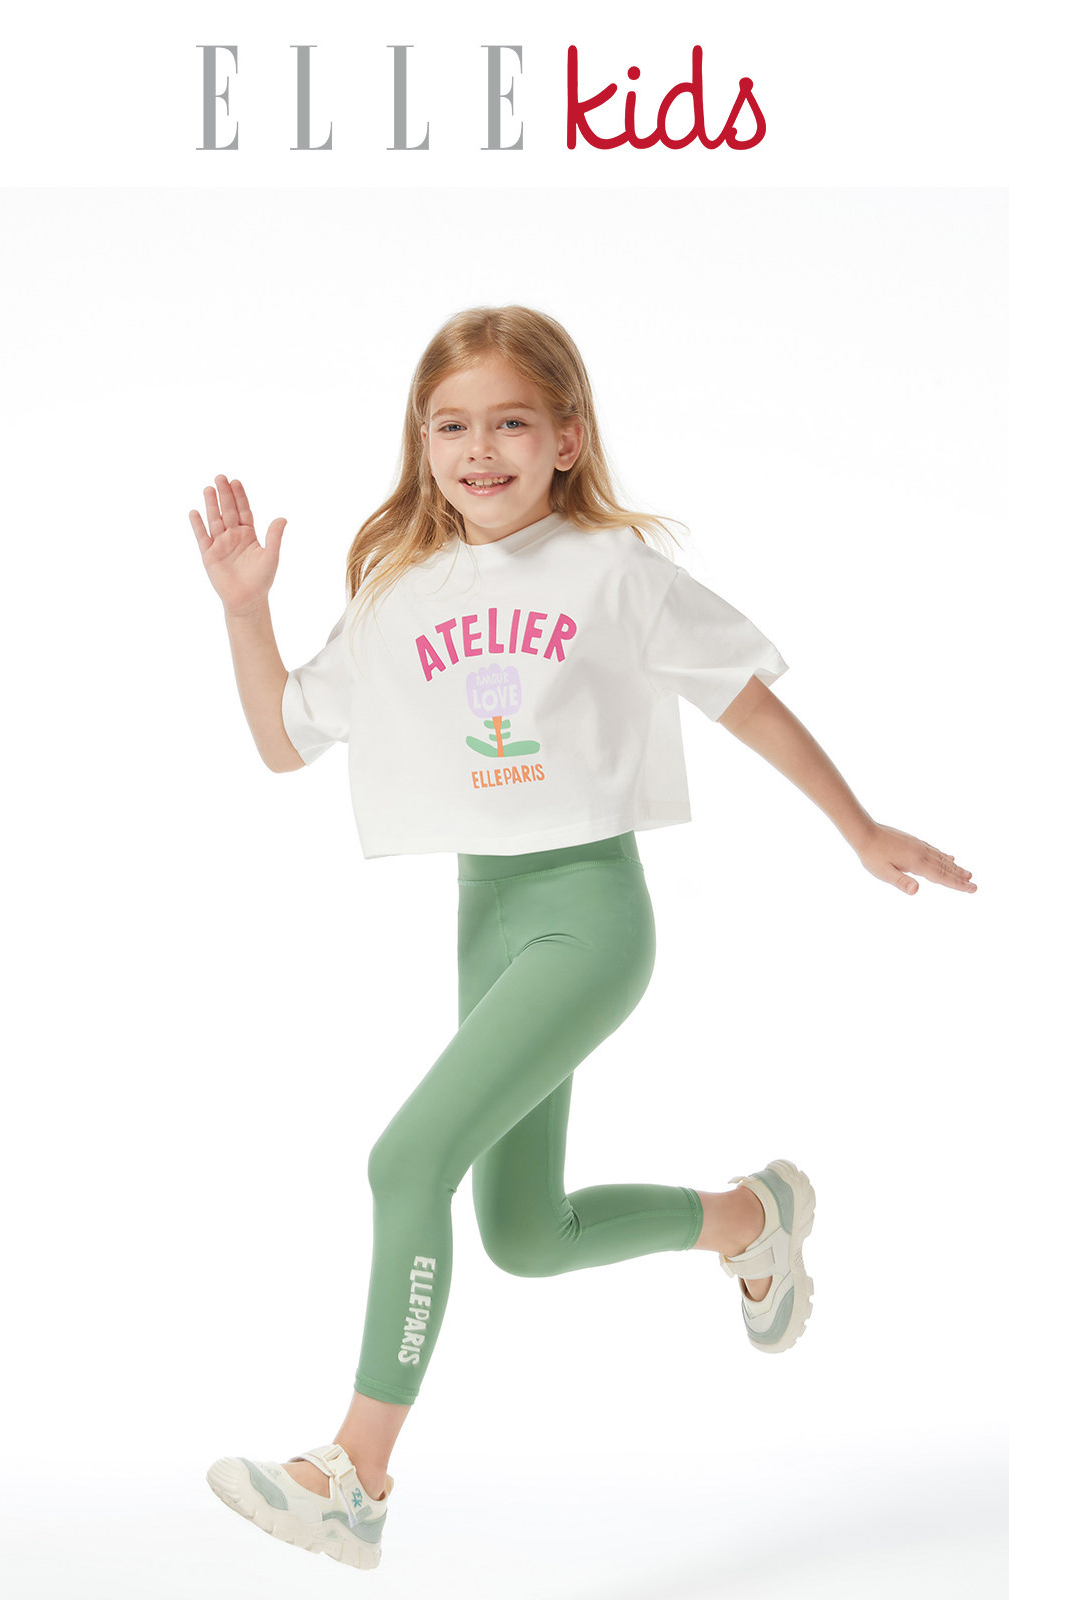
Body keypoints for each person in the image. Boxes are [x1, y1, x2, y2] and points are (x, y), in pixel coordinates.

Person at [188, 305, 977, 1571]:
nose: (479, 449)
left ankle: (353, 1474)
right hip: (484, 919)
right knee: (523, 1234)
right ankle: (752, 1216)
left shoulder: (612, 572)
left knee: (407, 1161)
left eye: (510, 422)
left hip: (589, 920)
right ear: (422, 441)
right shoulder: (401, 590)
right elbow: (284, 741)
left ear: (566, 437)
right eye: (452, 425)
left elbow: (745, 703)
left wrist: (860, 826)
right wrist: (244, 610)